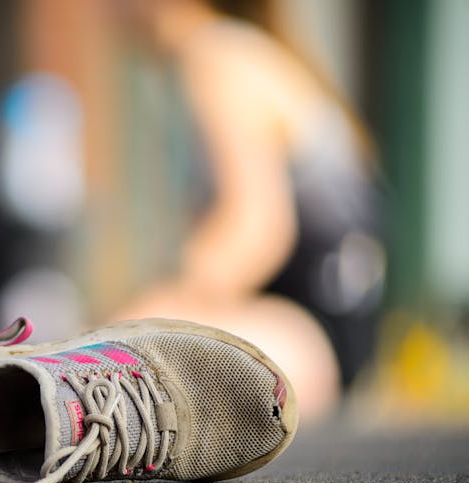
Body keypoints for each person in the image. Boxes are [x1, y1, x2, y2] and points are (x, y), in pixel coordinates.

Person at [113, 0, 385, 421]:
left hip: (305, 334)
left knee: (114, 354)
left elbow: (254, 231)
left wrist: (155, 305)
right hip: (318, 336)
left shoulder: (218, 54)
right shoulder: (222, 52)